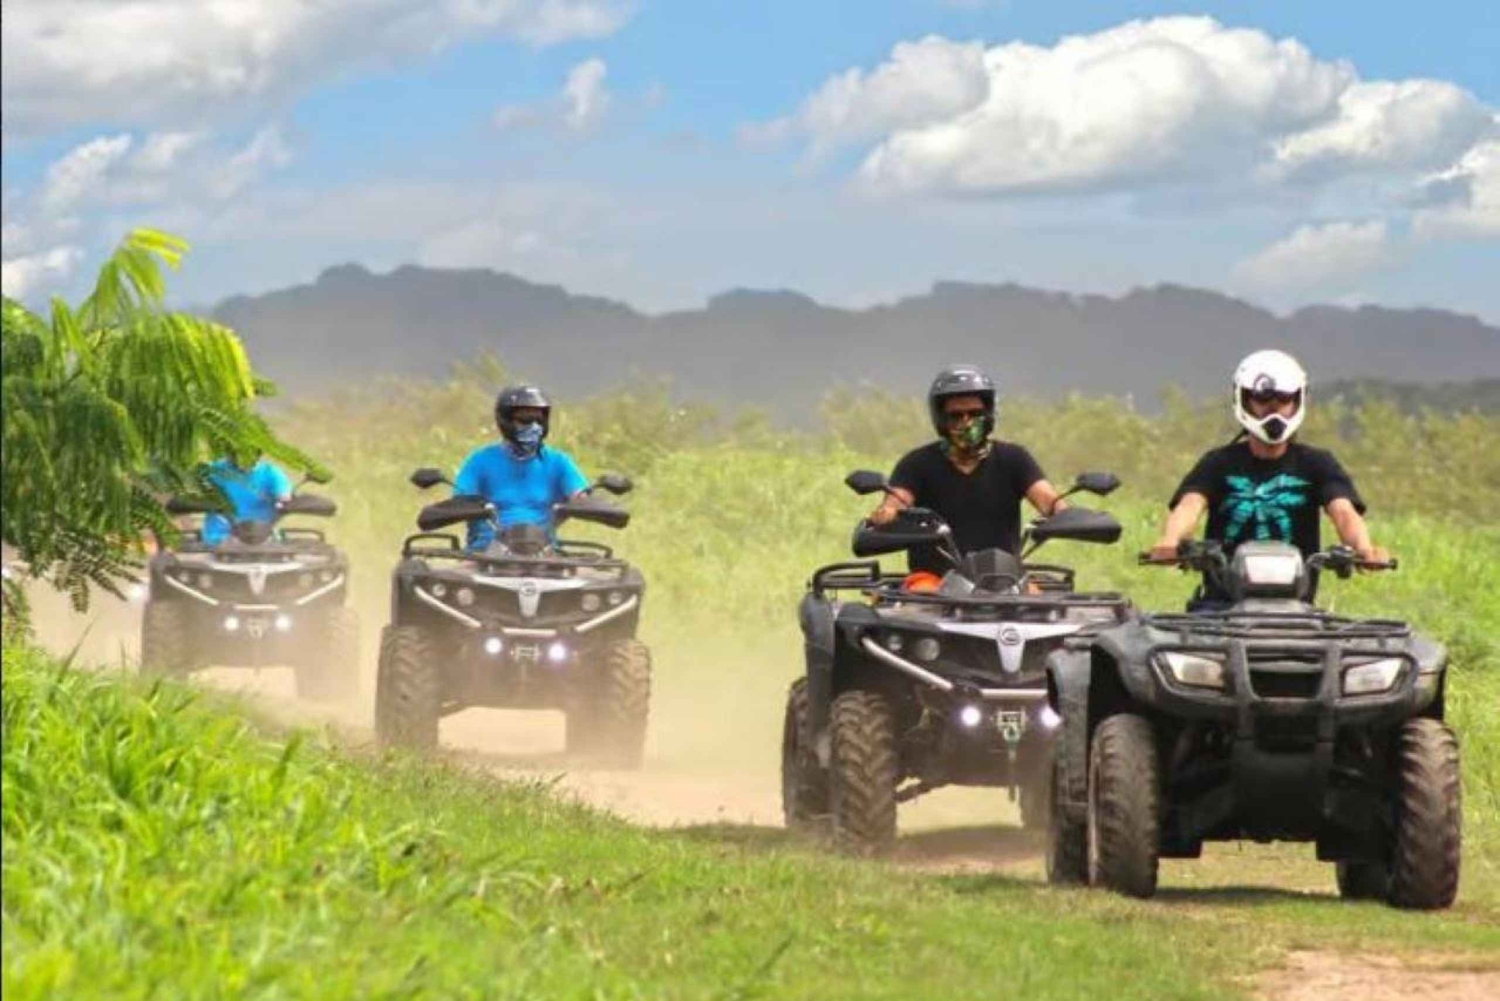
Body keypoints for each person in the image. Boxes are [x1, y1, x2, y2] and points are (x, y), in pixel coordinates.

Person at [1149, 349, 1390, 607]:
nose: (1273, 409)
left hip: (1297, 607)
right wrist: (1171, 541)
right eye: (1262, 399)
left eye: (1284, 399)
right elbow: (1191, 504)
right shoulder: (1218, 462)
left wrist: (1364, 548)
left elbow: (1343, 511)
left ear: (1297, 401)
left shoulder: (1317, 463)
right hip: (1221, 607)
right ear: (1244, 400)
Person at [869, 365, 1069, 575]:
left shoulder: (1013, 458)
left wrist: (1069, 516)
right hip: (934, 584)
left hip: (1004, 581)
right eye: (956, 415)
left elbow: (1049, 501)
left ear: (989, 414)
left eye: (975, 413)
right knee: (920, 594)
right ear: (941, 419)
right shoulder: (917, 463)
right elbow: (897, 502)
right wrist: (887, 515)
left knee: (1038, 600)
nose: (966, 422)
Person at [454, 384, 589, 551]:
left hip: (544, 553)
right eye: (524, 420)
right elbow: (460, 498)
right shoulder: (480, 461)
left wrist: (583, 501)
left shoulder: (559, 462)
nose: (533, 427)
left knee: (608, 576)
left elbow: (580, 495)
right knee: (443, 575)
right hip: (486, 553)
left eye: (538, 421)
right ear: (506, 421)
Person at [200, 449, 295, 546]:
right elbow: (195, 491)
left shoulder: (271, 473)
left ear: (258, 454)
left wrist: (282, 500)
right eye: (237, 454)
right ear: (229, 454)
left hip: (263, 539)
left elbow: (284, 496)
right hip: (220, 538)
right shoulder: (213, 471)